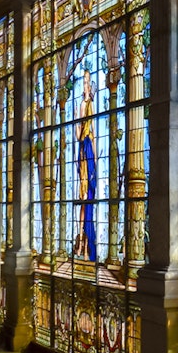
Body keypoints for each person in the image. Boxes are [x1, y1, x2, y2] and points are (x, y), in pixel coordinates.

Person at [76, 69, 96, 261]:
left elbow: (94, 134)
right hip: (83, 149)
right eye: (83, 83)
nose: (85, 86)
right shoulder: (81, 105)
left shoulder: (91, 105)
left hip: (89, 150)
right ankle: (81, 242)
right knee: (82, 198)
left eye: (87, 83)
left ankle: (86, 243)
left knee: (87, 197)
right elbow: (78, 133)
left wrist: (95, 161)